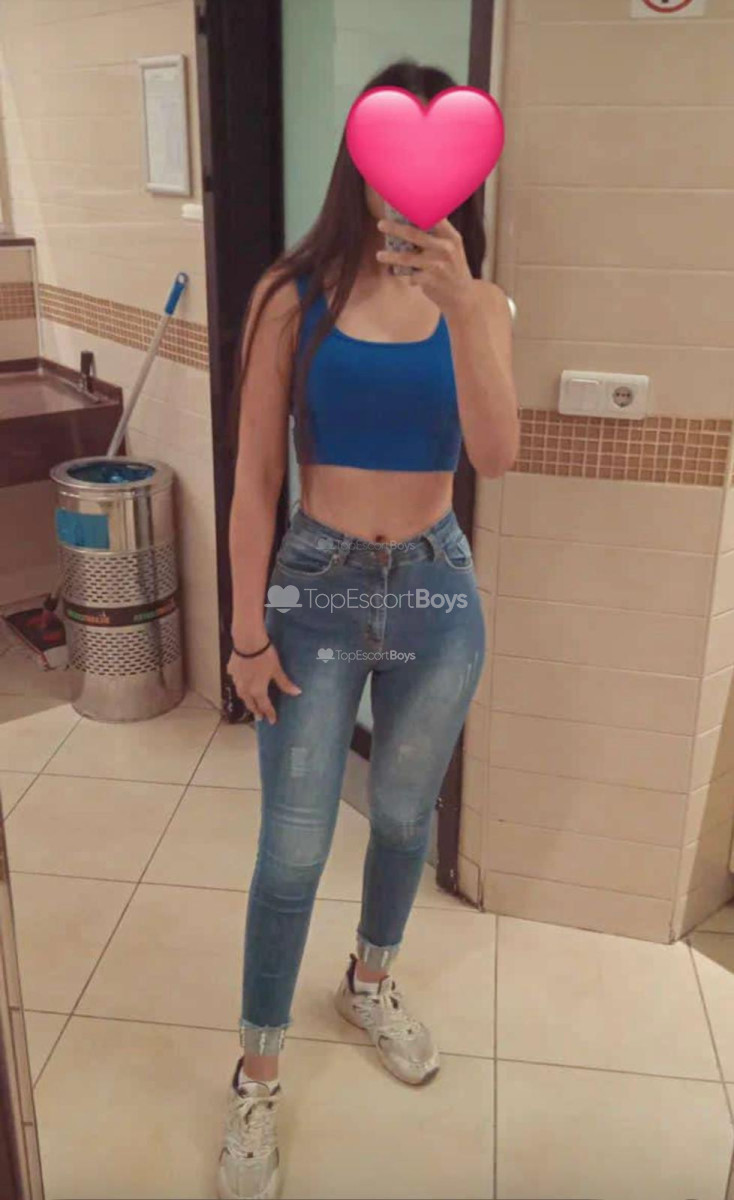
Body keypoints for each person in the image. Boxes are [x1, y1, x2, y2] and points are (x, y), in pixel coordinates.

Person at [217, 56, 518, 1200]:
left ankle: (369, 980)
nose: (414, 185)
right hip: (315, 585)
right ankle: (255, 1075)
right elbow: (255, 476)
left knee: (399, 818)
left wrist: (467, 309)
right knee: (292, 847)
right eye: (394, 157)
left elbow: (495, 455)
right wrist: (246, 633)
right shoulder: (289, 294)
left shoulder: (481, 302)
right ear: (361, 163)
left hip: (436, 588)